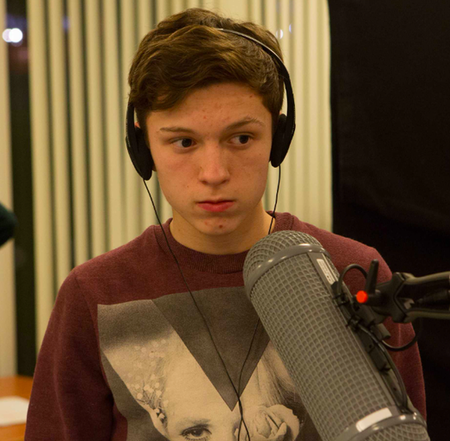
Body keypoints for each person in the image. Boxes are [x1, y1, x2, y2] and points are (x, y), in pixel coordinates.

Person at [25, 8, 426, 441]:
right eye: (184, 142)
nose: (214, 173)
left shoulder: (354, 275)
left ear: (279, 138)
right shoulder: (94, 294)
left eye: (241, 138)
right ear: (143, 148)